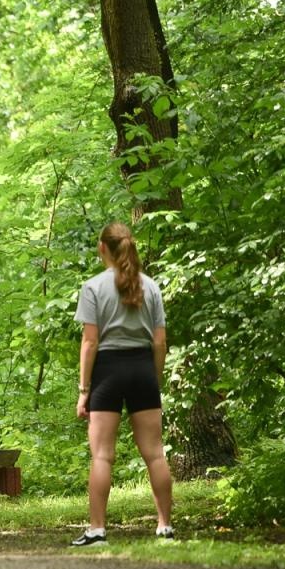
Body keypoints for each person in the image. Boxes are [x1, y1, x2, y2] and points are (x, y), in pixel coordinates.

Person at [73, 222, 172, 546]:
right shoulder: (151, 287)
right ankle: (164, 527)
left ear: (103, 248)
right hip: (142, 367)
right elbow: (159, 342)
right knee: (155, 454)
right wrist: (154, 377)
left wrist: (84, 390)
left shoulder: (93, 288)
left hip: (108, 371)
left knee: (102, 456)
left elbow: (90, 343)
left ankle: (98, 530)